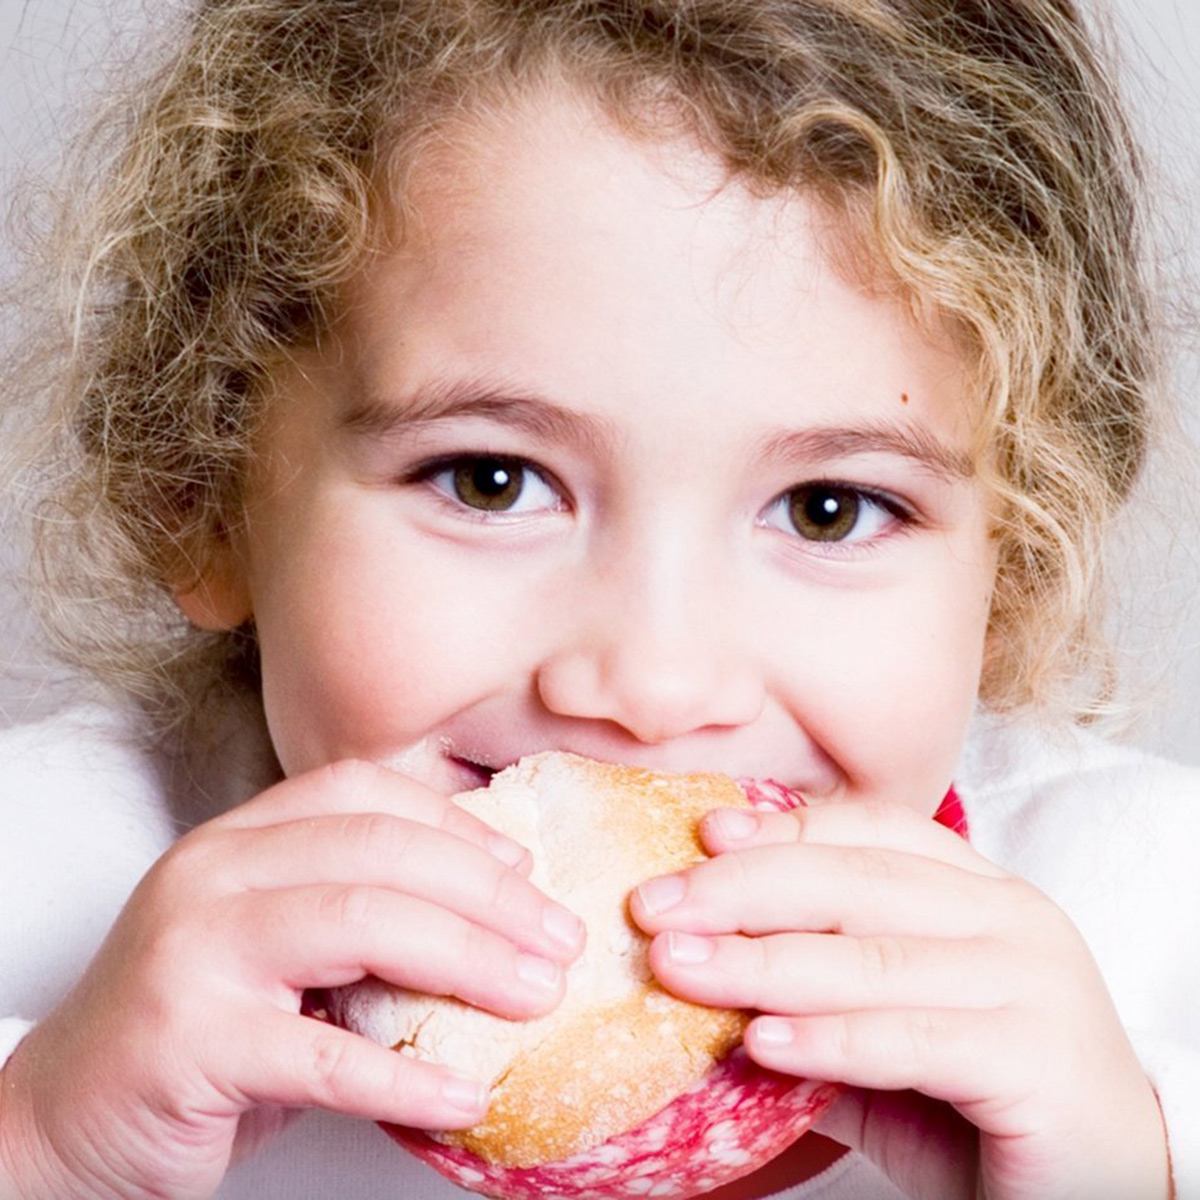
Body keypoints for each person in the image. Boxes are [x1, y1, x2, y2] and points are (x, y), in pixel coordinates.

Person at [0, 1, 1196, 1197]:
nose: (652, 684)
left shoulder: (1148, 927)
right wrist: (51, 1147)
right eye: (492, 480)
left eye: (829, 508)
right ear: (199, 493)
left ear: (1014, 570)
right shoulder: (48, 890)